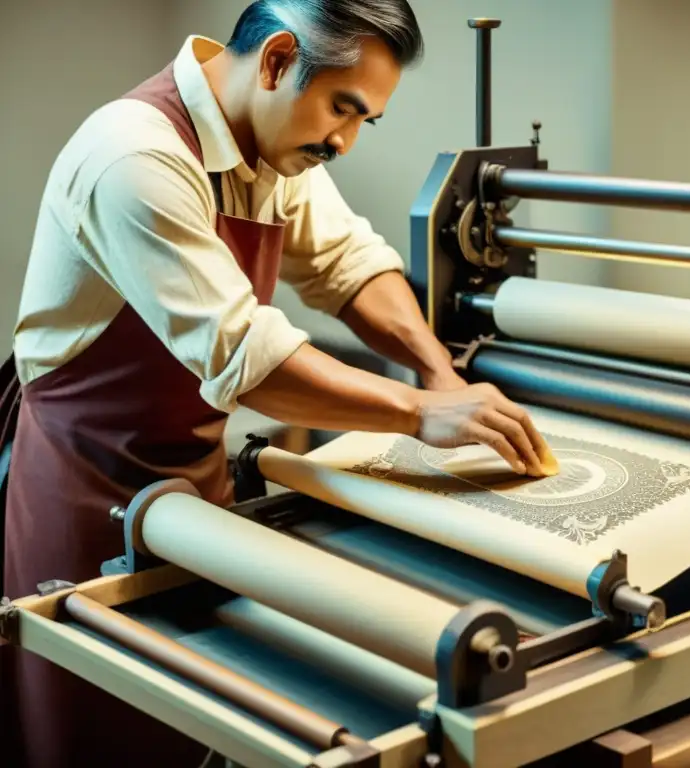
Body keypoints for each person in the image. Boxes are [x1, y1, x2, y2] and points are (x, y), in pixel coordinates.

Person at [0, 1, 551, 765]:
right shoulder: (134, 156)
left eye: (365, 121)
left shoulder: (271, 150)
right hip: (84, 490)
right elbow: (244, 356)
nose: (343, 141)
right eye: (341, 109)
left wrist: (436, 366)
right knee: (95, 729)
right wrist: (421, 414)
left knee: (196, 716)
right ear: (276, 60)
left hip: (194, 492)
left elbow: (345, 265)